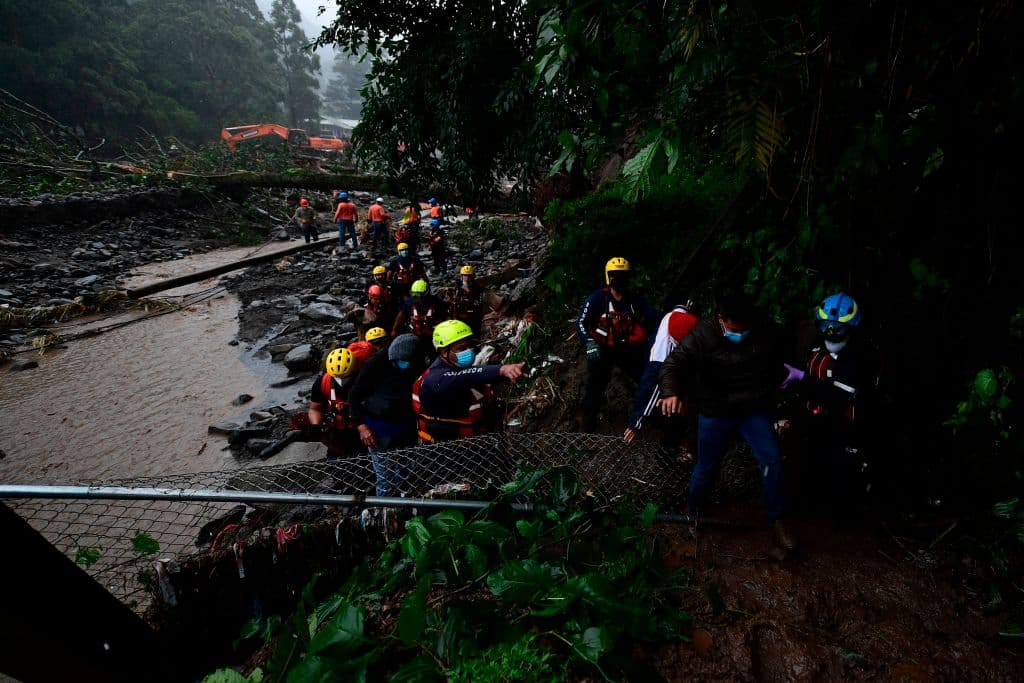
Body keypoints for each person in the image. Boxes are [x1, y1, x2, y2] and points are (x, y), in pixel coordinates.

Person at [658, 294, 794, 551]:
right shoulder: (702, 335)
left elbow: (781, 357)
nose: (739, 334)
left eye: (744, 329)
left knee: (772, 461)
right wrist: (670, 392)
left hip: (753, 409)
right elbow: (672, 364)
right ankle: (694, 512)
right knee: (706, 466)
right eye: (733, 330)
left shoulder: (764, 328)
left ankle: (776, 518)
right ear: (721, 320)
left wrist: (780, 386)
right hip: (715, 411)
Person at [781, 292, 882, 522]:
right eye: (826, 326)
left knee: (842, 473)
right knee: (811, 464)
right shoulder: (816, 347)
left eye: (837, 327)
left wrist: (802, 380)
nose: (831, 332)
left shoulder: (861, 355)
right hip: (816, 422)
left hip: (846, 426)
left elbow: (839, 394)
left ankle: (843, 520)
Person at [576, 257, 659, 432]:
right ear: (608, 276)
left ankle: (652, 417)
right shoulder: (597, 298)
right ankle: (587, 425)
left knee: (645, 378)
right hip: (602, 349)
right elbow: (581, 322)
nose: (618, 279)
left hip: (628, 349)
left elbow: (654, 317)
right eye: (615, 275)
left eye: (622, 275)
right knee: (595, 385)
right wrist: (589, 342)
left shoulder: (634, 300)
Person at [412, 320, 525, 443]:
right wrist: (501, 370)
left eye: (470, 346)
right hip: (446, 453)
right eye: (462, 348)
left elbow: (472, 375)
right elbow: (463, 377)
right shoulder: (435, 379)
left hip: (474, 443)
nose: (469, 351)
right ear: (444, 351)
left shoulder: (458, 369)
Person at [349, 333, 425, 497]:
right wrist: (361, 426)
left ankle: (405, 507)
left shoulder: (418, 360)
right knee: (385, 479)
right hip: (379, 429)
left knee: (407, 474)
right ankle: (384, 513)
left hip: (407, 427)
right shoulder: (375, 364)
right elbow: (354, 397)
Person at [624, 299, 701, 454]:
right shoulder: (683, 321)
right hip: (672, 373)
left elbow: (651, 383)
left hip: (668, 371)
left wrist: (636, 422)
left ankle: (672, 449)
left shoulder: (672, 319)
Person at [307, 347, 364, 459]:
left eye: (345, 377)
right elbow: (315, 409)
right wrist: (315, 426)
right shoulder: (322, 383)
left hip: (362, 429)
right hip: (337, 430)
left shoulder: (364, 380)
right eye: (337, 377)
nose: (341, 380)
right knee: (335, 461)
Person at [391, 279, 449, 352]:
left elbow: (445, 319)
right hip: (414, 334)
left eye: (420, 296)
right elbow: (401, 315)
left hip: (432, 335)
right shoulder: (409, 302)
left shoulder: (438, 303)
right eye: (415, 296)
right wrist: (394, 329)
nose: (418, 298)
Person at [449, 264, 485, 335]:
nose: (467, 277)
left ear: (472, 276)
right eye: (465, 275)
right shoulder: (457, 286)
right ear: (462, 276)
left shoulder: (476, 287)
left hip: (472, 315)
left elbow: (478, 302)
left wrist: (469, 294)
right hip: (459, 313)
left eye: (469, 275)